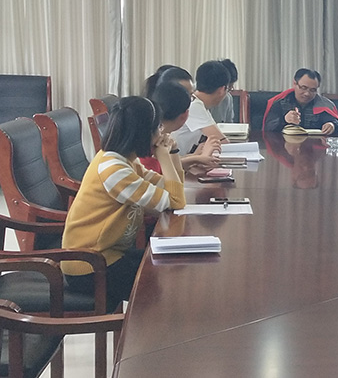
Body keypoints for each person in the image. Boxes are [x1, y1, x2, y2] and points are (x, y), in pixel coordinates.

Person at [62, 96, 186, 309]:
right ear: (143, 132)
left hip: (109, 255)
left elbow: (175, 190)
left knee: (172, 267)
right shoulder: (114, 170)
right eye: (157, 128)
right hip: (90, 266)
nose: (161, 134)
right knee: (167, 286)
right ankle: (148, 330)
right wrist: (163, 155)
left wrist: (172, 152)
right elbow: (176, 201)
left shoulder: (125, 160)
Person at [146, 81, 221, 173]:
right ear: (185, 115)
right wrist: (197, 158)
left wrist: (196, 157)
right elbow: (163, 171)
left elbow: (171, 163)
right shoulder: (154, 140)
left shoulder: (155, 133)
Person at [172, 60, 231, 154]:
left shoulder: (199, 103)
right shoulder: (194, 106)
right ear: (221, 90)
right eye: (228, 89)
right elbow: (223, 143)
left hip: (181, 159)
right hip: (175, 161)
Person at [263, 68, 338, 135]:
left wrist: (332, 125)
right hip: (284, 146)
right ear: (294, 84)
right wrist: (284, 120)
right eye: (303, 88)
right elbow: (268, 128)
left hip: (314, 146)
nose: (307, 94)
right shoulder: (280, 102)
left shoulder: (324, 105)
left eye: (312, 90)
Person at [209, 59, 238, 123]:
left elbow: (229, 124)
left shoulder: (227, 98)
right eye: (228, 87)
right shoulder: (194, 97)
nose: (230, 90)